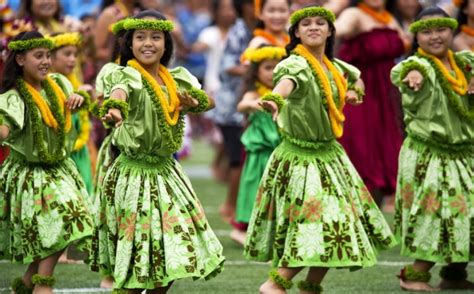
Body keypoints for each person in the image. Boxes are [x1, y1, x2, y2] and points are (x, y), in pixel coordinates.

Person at [244, 6, 397, 293]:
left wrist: (355, 90)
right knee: (314, 222)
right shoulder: (295, 65)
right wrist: (275, 100)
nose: (313, 27)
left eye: (320, 23)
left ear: (329, 31)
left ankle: (310, 287)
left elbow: (357, 77)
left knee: (337, 223)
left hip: (330, 155)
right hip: (300, 158)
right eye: (306, 24)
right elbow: (286, 85)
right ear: (297, 33)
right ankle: (274, 284)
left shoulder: (337, 67)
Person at [87, 10, 225, 292]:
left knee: (174, 250)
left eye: (155, 37)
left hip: (167, 173)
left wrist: (192, 101)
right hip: (133, 174)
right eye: (140, 37)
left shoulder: (176, 79)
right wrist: (115, 110)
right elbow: (118, 94)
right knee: (138, 258)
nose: (148, 43)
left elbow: (208, 102)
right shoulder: (124, 75)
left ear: (166, 44)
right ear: (129, 44)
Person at [0, 30, 94, 294]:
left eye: (47, 56)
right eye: (38, 56)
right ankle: (43, 286)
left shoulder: (59, 84)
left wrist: (78, 98)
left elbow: (76, 100)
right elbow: (5, 128)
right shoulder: (13, 97)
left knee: (72, 221)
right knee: (62, 221)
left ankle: (31, 280)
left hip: (60, 169)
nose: (45, 61)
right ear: (20, 60)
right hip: (29, 173)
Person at [391, 6, 474, 291]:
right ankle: (412, 276)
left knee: (468, 214)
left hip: (464, 153)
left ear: (452, 31)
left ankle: (453, 274)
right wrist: (413, 76)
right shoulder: (418, 66)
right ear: (416, 37)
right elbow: (404, 71)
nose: (435, 36)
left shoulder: (464, 64)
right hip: (431, 154)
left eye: (441, 29)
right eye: (426, 32)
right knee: (439, 214)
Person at [335, 0, 408, 207]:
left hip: (387, 97)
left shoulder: (389, 18)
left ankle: (373, 217)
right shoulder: (354, 14)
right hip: (361, 93)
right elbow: (337, 29)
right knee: (361, 150)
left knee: (385, 153)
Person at [232, 45, 285, 245]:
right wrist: (256, 104)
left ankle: (275, 227)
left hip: (280, 151)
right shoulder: (254, 94)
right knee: (255, 188)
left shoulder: (284, 93)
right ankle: (243, 228)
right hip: (261, 154)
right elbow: (242, 105)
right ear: (256, 72)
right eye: (268, 68)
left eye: (277, 67)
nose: (273, 73)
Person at [49, 32, 93, 195]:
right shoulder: (48, 88)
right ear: (50, 58)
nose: (73, 59)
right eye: (67, 54)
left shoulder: (75, 85)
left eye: (75, 55)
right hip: (61, 155)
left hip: (80, 153)